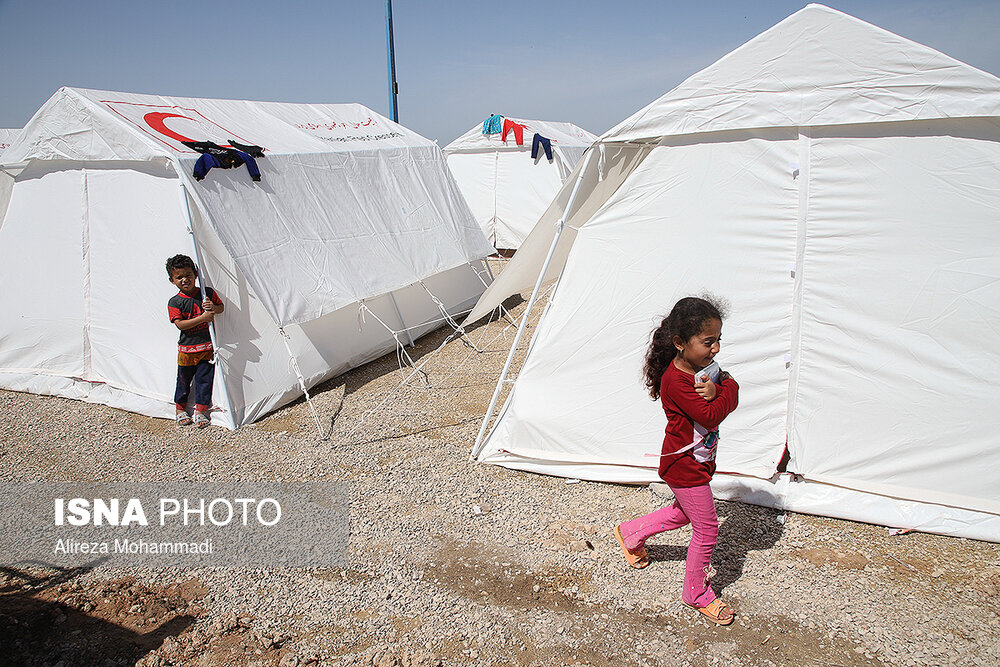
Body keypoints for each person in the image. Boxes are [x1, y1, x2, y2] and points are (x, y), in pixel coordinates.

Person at [613, 296, 739, 625]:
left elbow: (716, 393)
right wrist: (730, 386)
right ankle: (695, 593)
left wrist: (720, 384)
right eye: (708, 342)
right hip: (684, 468)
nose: (715, 350)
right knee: (707, 527)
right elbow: (711, 415)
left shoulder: (698, 371)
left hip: (693, 463)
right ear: (680, 343)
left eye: (718, 341)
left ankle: (630, 533)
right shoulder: (678, 381)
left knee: (681, 513)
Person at [165, 254, 224, 428]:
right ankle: (179, 408)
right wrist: (204, 317)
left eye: (188, 275)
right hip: (186, 350)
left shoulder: (207, 293)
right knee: (183, 380)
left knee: (204, 380)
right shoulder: (174, 302)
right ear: (172, 280)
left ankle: (200, 410)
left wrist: (213, 308)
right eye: (179, 277)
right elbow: (181, 325)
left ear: (195, 275)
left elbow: (221, 308)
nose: (185, 280)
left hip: (206, 348)